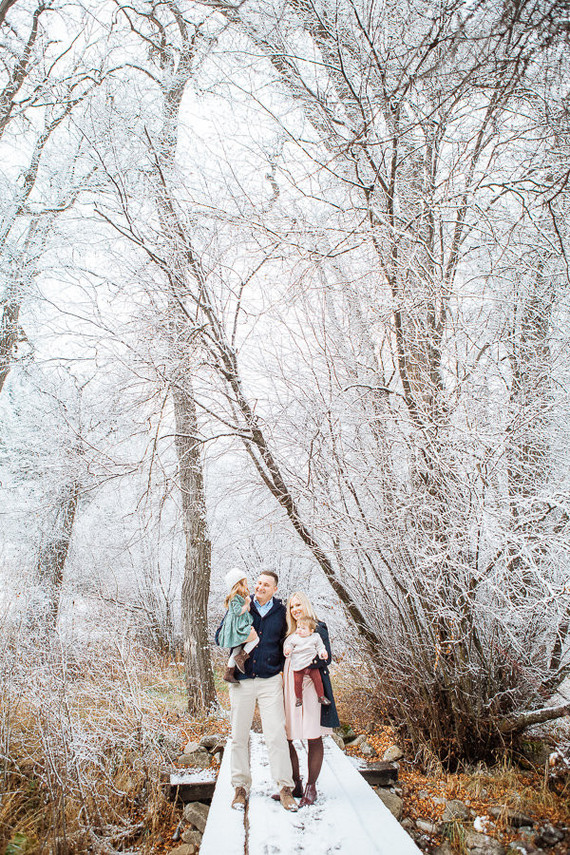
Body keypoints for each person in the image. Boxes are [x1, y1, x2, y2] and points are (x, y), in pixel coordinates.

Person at [215, 570, 298, 812]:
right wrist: (239, 636)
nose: (260, 587)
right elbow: (220, 636)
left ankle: (285, 788)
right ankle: (240, 787)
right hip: (242, 681)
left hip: (270, 681)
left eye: (266, 585)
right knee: (239, 736)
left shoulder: (281, 612)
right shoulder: (242, 604)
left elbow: (290, 641)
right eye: (258, 583)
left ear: (275, 589)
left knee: (276, 735)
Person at [282, 592, 340, 808]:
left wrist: (307, 666)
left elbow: (327, 657)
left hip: (311, 685)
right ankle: (295, 784)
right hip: (291, 684)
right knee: (287, 735)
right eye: (291, 607)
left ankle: (311, 787)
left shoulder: (318, 628)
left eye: (298, 605)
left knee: (313, 735)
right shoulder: (290, 631)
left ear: (306, 605)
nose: (295, 609)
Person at [217, 568, 259, 683]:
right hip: (236, 627)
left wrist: (247, 603)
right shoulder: (234, 598)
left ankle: (229, 672)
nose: (246, 585)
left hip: (240, 624)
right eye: (244, 583)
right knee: (256, 639)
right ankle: (241, 657)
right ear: (237, 585)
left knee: (237, 648)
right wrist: (246, 603)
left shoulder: (240, 596)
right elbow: (238, 612)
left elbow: (247, 610)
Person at [283, 616, 331, 708]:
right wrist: (288, 649)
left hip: (311, 663)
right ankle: (298, 698)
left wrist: (323, 653)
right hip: (298, 663)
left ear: (311, 631)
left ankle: (321, 696)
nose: (300, 630)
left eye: (303, 628)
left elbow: (320, 647)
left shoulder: (315, 637)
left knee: (318, 680)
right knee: (297, 682)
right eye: (298, 627)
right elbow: (290, 645)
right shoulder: (295, 637)